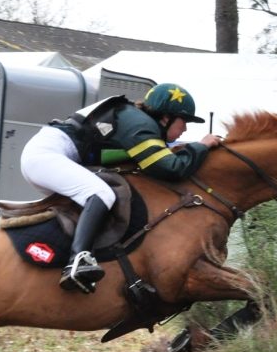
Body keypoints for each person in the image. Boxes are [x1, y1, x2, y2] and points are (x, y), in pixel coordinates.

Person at [21, 83, 222, 293]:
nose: (186, 129)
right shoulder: (140, 124)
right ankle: (77, 261)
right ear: (166, 117)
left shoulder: (136, 119)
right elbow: (170, 169)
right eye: (184, 121)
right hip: (46, 156)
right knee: (101, 193)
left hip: (48, 157)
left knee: (101, 203)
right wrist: (202, 146)